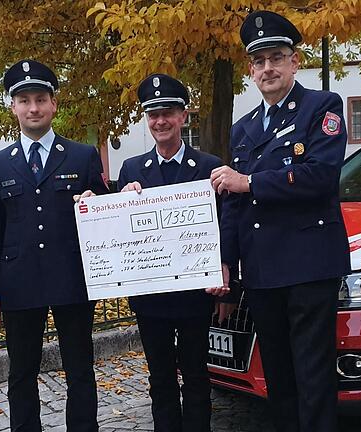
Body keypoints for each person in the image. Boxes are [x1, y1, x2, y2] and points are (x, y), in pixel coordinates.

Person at [209, 11, 350, 432]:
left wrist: (249, 181)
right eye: (259, 61)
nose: (267, 68)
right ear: (251, 71)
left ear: (295, 62)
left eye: (276, 57)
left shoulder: (321, 106)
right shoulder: (243, 128)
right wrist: (226, 260)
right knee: (278, 377)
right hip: (263, 270)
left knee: (314, 375)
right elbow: (233, 204)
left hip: (308, 265)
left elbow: (320, 177)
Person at [0, 59, 109, 432]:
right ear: (13, 107)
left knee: (80, 369)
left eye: (40, 99)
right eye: (24, 100)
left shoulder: (82, 155)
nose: (33, 108)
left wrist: (98, 202)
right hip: (19, 282)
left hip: (72, 279)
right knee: (21, 372)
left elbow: (104, 217)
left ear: (54, 104)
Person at [114, 73, 233, 432]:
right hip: (151, 298)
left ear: (183, 115)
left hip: (196, 295)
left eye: (168, 112)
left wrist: (227, 274)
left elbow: (226, 224)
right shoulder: (132, 171)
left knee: (197, 376)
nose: (160, 121)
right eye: (153, 114)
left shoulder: (209, 167)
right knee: (160, 378)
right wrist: (123, 204)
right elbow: (120, 236)